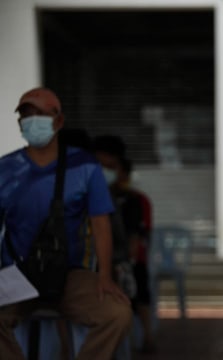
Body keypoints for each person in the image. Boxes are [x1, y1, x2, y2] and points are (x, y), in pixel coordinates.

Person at [0, 87, 132, 359]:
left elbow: (100, 222)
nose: (32, 120)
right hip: (16, 274)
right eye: (26, 115)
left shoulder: (85, 167)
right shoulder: (6, 168)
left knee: (116, 313)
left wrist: (105, 276)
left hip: (70, 273)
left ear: (58, 121)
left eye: (40, 114)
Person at [93, 134, 155, 353]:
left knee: (133, 291)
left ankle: (143, 339)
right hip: (96, 266)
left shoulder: (132, 201)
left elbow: (135, 238)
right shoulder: (84, 195)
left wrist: (122, 264)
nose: (106, 171)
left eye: (111, 166)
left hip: (122, 263)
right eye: (101, 165)